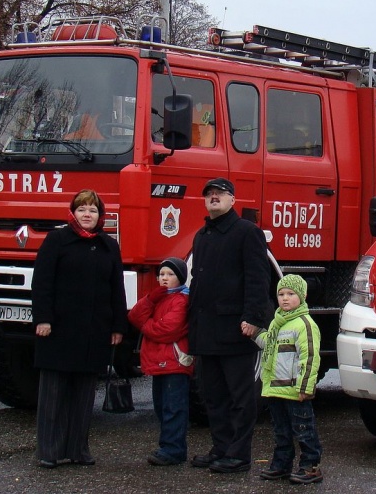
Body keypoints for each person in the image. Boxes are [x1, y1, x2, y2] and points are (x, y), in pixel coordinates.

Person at [31, 189, 128, 469]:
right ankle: (49, 451)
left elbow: (116, 289)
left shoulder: (109, 245)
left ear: (101, 216)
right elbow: (43, 283)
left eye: (93, 210)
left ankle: (78, 449)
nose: (88, 215)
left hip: (94, 331)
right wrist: (43, 319)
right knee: (54, 393)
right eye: (82, 209)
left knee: (84, 395)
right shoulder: (57, 240)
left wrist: (117, 325)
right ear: (73, 213)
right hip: (58, 329)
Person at [188, 177, 272, 474]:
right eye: (209, 194)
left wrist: (253, 319)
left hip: (236, 329)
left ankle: (238, 455)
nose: (214, 197)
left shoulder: (247, 233)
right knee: (213, 395)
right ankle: (220, 448)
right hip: (206, 330)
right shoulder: (202, 235)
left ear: (232, 200)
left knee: (240, 396)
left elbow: (257, 279)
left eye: (220, 194)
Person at [250, 274, 323, 485]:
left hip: (294, 390)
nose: (285, 298)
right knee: (281, 431)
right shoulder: (277, 322)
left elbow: (309, 358)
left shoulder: (304, 324)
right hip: (275, 390)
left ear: (302, 296)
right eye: (281, 294)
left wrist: (305, 387)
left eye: (291, 294)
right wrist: (256, 334)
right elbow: (269, 345)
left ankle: (311, 466)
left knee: (303, 430)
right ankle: (281, 464)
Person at [128, 257, 194, 466]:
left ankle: (174, 448)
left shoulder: (182, 300)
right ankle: (167, 445)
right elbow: (135, 316)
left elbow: (168, 330)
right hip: (159, 362)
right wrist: (150, 298)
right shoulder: (160, 298)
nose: (164, 278)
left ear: (181, 278)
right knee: (161, 405)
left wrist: (146, 327)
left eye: (170, 274)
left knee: (174, 407)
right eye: (162, 274)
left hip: (174, 362)